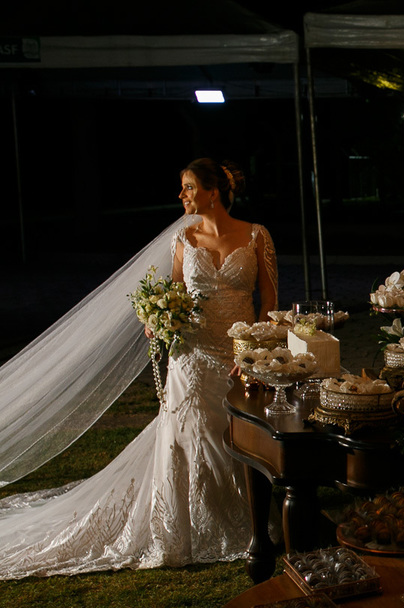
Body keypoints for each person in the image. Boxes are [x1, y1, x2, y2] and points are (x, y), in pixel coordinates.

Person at [0, 159, 278, 580]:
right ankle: (193, 525)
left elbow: (269, 298)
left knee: (242, 430)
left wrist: (253, 353)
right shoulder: (183, 239)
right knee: (194, 433)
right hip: (192, 355)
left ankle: (252, 515)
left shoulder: (256, 235)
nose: (181, 195)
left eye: (188, 187)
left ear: (213, 192)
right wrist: (159, 319)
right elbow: (176, 293)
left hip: (240, 356)